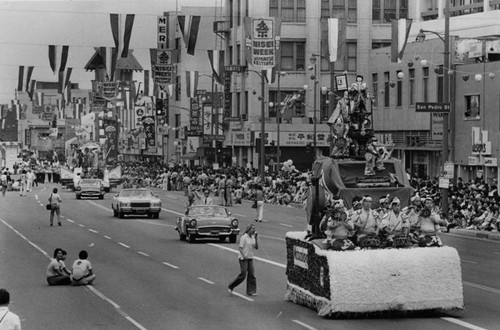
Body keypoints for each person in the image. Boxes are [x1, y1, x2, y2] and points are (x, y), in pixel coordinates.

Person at [228, 224, 259, 296]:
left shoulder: (253, 237)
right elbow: (240, 247)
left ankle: (251, 291)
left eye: (254, 229)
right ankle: (231, 285)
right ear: (249, 229)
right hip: (243, 259)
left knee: (252, 274)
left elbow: (256, 247)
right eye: (253, 229)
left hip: (250, 258)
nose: (254, 230)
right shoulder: (244, 237)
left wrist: (256, 238)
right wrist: (244, 255)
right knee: (243, 274)